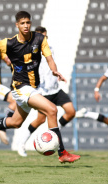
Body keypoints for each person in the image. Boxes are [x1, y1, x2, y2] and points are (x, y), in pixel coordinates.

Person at [0, 11, 80, 163]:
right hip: (21, 88)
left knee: (15, 123)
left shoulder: (40, 39)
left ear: (31, 23)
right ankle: (62, 153)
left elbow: (49, 58)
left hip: (32, 88)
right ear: (17, 25)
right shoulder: (9, 43)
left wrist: (55, 70)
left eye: (28, 22)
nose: (26, 25)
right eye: (22, 23)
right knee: (52, 110)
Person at [16, 26, 76, 157]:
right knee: (40, 120)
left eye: (45, 36)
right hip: (43, 91)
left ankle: (55, 132)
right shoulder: (31, 52)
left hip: (56, 89)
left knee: (71, 112)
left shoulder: (50, 49)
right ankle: (21, 143)